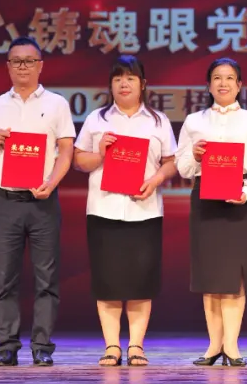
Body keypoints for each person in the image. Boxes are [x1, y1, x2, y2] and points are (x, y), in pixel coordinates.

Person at [73, 55, 177, 367]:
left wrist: (155, 180)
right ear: (110, 85)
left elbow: (171, 161)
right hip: (104, 210)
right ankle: (111, 346)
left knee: (140, 282)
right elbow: (79, 161)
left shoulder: (158, 121)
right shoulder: (97, 119)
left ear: (142, 84)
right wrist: (100, 153)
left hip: (144, 211)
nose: (124, 84)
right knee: (107, 282)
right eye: (118, 78)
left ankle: (135, 346)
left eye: (130, 78)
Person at [0, 36, 75, 367]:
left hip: (42, 200)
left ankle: (42, 346)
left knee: (46, 277)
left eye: (29, 61)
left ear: (40, 66)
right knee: (4, 277)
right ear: (8, 66)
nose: (23, 66)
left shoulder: (57, 104)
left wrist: (51, 183)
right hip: (5, 201)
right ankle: (6, 346)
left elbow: (66, 152)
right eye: (16, 61)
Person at [176, 57, 247, 367]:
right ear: (208, 85)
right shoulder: (194, 121)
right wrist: (194, 156)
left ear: (239, 85)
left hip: (240, 201)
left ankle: (231, 345)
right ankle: (213, 345)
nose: (223, 83)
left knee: (235, 277)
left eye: (230, 78)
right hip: (205, 200)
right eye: (217, 78)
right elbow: (182, 167)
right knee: (211, 276)